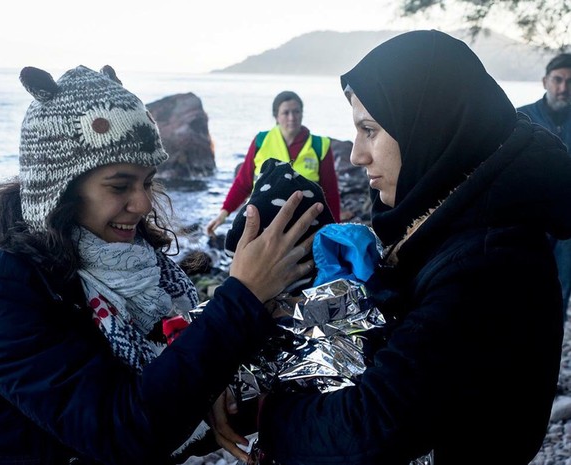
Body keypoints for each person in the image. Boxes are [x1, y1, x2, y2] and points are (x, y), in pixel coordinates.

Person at [0, 64, 324, 465]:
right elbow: (120, 432)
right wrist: (242, 296)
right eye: (119, 185)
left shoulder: (129, 259)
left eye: (147, 182)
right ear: (58, 187)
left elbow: (173, 385)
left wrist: (219, 385)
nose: (143, 203)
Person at [230, 30, 568, 465]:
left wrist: (269, 411)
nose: (355, 155)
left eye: (370, 130)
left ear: (427, 126)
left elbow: (368, 431)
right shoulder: (442, 218)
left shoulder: (487, 263)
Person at [205, 90, 341, 236]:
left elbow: (331, 193)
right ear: (276, 116)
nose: (292, 117)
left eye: (296, 111)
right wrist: (223, 214)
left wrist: (336, 230)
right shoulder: (261, 141)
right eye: (286, 112)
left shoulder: (319, 145)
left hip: (304, 228)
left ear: (302, 113)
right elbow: (243, 183)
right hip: (261, 226)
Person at [517, 53, 571, 320]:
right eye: (558, 80)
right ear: (545, 81)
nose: (563, 88)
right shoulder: (519, 119)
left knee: (558, 294)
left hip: (567, 230)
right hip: (525, 221)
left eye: (570, 82)